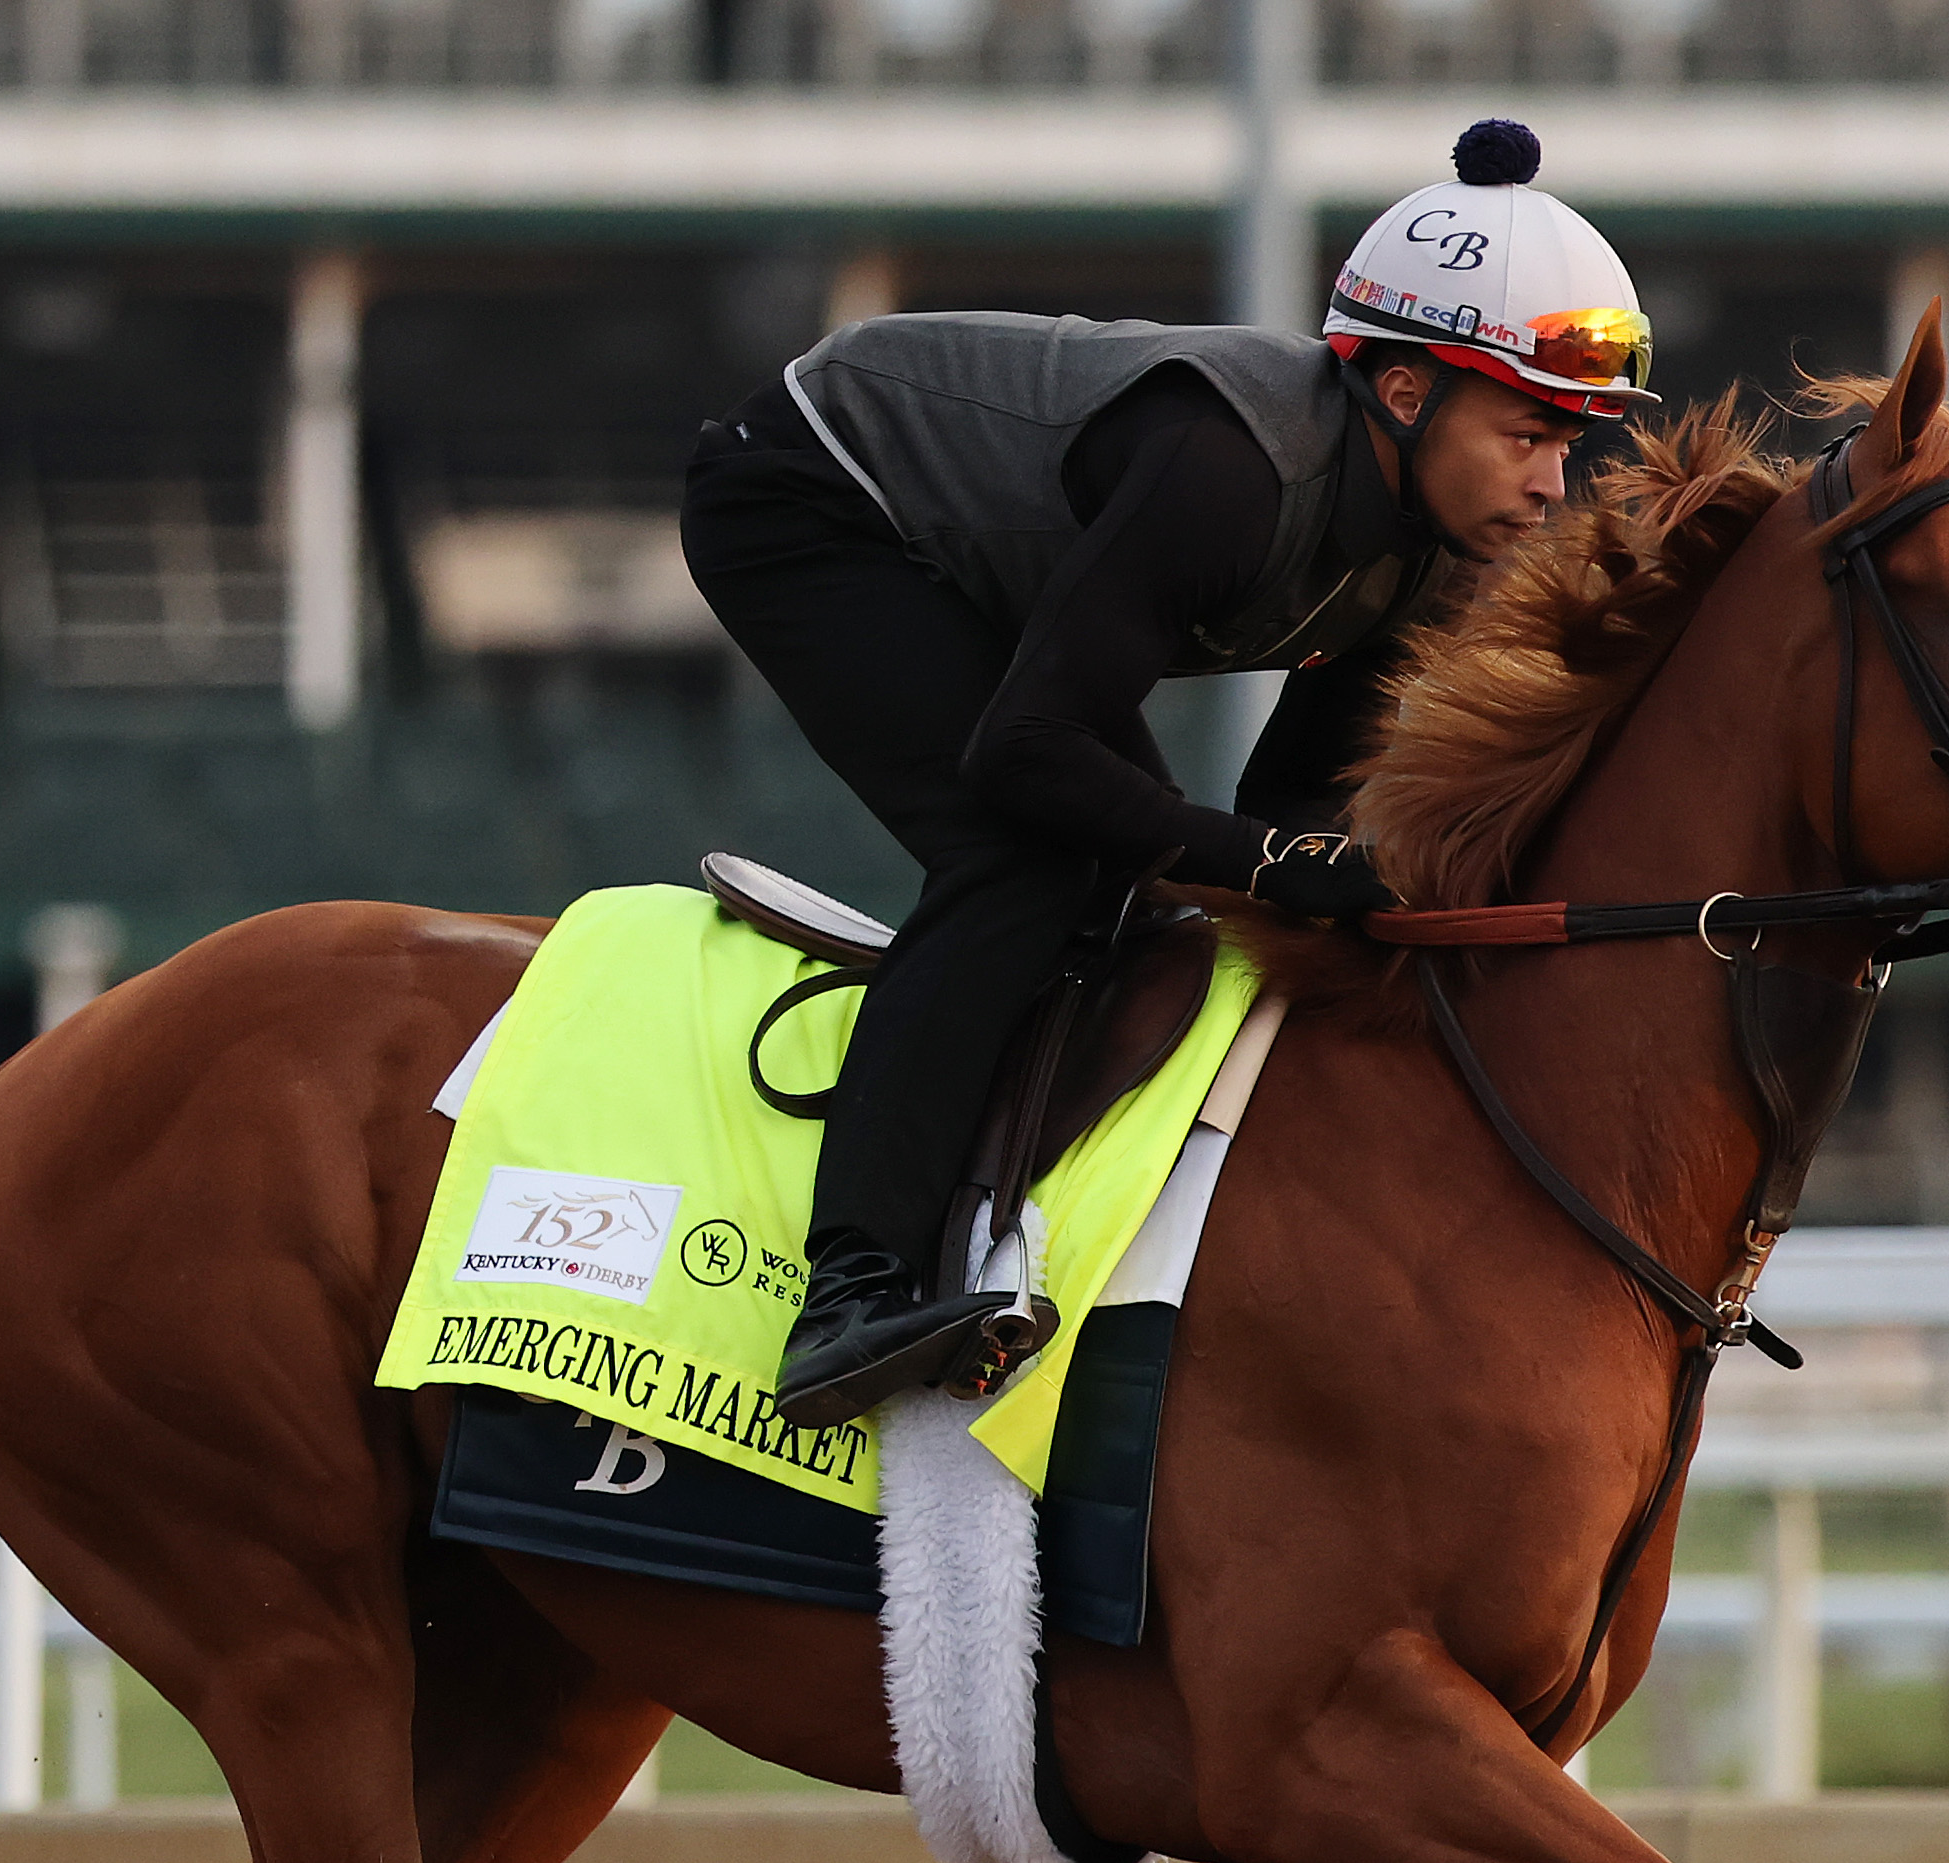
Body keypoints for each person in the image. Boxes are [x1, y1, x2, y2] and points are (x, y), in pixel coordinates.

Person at [683, 119, 1657, 1431]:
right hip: (813, 494)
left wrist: (1332, 873)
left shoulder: (1438, 556)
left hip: (973, 568)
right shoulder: (1227, 473)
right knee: (1028, 852)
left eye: (1574, 441)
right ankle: (846, 1287)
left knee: (1130, 881)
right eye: (1532, 433)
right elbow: (1032, 755)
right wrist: (1266, 865)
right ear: (1410, 392)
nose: (1555, 484)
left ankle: (1011, 1224)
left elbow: (1284, 811)